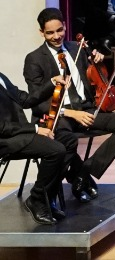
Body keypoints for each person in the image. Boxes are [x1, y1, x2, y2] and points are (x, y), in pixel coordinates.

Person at [25, 8, 115, 204]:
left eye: (59, 30)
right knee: (66, 140)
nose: (56, 36)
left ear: (65, 26)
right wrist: (72, 114)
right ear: (41, 32)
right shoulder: (34, 59)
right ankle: (47, 193)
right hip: (58, 116)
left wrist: (98, 62)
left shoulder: (77, 49)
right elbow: (37, 104)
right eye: (50, 33)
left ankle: (85, 172)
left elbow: (94, 79)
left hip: (85, 109)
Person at [0, 64, 71, 225]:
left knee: (68, 140)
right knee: (55, 150)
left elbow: (26, 100)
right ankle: (38, 199)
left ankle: (47, 197)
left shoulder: (1, 76)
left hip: (17, 134)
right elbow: (1, 128)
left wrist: (52, 82)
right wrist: (35, 128)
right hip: (4, 140)